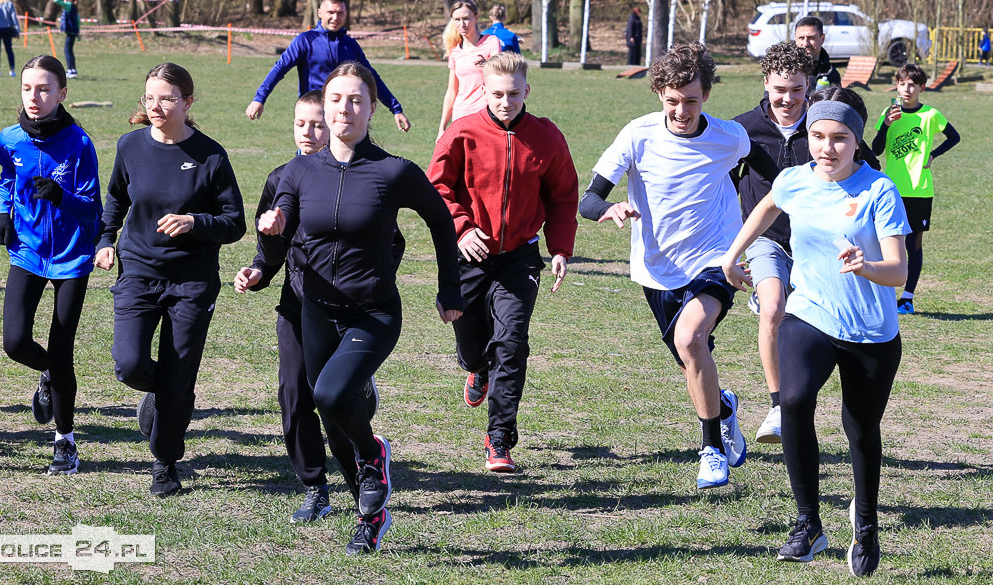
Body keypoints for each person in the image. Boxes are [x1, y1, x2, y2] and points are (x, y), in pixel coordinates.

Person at [257, 62, 463, 555]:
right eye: (335, 100)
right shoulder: (301, 169)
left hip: (373, 313)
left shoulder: (393, 171)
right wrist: (274, 222)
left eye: (355, 100)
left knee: (329, 395)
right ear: (324, 108)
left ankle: (373, 455)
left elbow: (440, 222)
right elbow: (283, 206)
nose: (344, 109)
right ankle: (369, 516)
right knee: (333, 416)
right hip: (315, 309)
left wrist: (449, 290)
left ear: (372, 108)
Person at [721, 87, 909, 577]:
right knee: (794, 400)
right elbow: (766, 208)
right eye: (818, 136)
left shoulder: (878, 190)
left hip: (871, 332)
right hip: (811, 314)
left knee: (860, 430)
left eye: (840, 138)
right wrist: (733, 251)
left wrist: (867, 266)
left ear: (857, 141)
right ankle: (809, 524)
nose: (827, 148)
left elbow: (899, 272)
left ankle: (865, 525)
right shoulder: (795, 180)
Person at [579, 42, 778, 489]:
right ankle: (724, 408)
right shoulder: (638, 135)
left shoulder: (731, 136)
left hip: (716, 259)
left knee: (691, 339)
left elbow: (768, 170)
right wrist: (608, 209)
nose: (681, 111)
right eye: (672, 101)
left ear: (706, 94)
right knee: (690, 359)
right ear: (658, 94)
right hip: (656, 269)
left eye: (690, 101)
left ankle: (711, 448)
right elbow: (587, 199)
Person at [95, 63, 246, 498]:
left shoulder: (210, 155)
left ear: (187, 102)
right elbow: (115, 200)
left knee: (181, 378)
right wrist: (106, 240)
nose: (156, 106)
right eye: (150, 98)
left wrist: (195, 221)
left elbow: (233, 222)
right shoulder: (130, 147)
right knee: (129, 365)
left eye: (167, 98)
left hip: (192, 283)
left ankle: (164, 462)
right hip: (138, 274)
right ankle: (165, 395)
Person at [233, 90, 381, 523]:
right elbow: (271, 249)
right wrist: (258, 269)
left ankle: (364, 470)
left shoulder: (364, 177)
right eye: (301, 124)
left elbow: (392, 243)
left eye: (317, 124)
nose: (309, 133)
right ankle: (315, 487)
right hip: (297, 305)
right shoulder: (280, 179)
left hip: (349, 310)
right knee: (294, 395)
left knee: (332, 400)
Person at [427, 52, 578, 473]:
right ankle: (476, 369)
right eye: (497, 94)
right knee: (474, 347)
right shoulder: (462, 133)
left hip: (519, 258)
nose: (505, 102)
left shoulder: (547, 137)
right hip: (470, 256)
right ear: (484, 91)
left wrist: (560, 248)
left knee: (512, 344)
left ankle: (499, 441)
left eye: (514, 93)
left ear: (526, 90)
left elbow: (563, 196)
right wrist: (462, 227)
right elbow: (436, 188)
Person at [0, 54, 102, 475]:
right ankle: (47, 375)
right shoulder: (10, 138)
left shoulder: (79, 142)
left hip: (73, 257)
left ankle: (65, 442)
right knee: (14, 342)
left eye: (43, 89)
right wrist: (2, 212)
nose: (34, 97)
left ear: (61, 93)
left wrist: (61, 196)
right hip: (28, 251)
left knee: (62, 349)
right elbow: (6, 180)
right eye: (27, 89)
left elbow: (93, 210)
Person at [731, 41, 816, 444]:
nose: (788, 98)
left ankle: (801, 398)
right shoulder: (743, 128)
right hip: (764, 239)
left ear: (809, 85)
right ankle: (780, 406)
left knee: (805, 326)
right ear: (766, 83)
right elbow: (720, 179)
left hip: (812, 243)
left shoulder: (823, 125)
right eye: (780, 89)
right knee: (774, 309)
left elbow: (865, 166)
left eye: (796, 89)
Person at [246, 0, 411, 132]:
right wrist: (259, 99)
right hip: (315, 112)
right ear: (320, 13)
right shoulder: (305, 40)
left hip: (343, 114)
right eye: (330, 12)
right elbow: (279, 69)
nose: (335, 18)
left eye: (340, 13)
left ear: (346, 14)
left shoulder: (351, 45)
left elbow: (372, 78)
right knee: (310, 160)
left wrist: (396, 109)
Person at [871, 63, 960, 315]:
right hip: (890, 189)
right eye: (902, 84)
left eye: (912, 84)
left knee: (913, 244)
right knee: (882, 241)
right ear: (896, 85)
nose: (907, 89)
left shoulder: (931, 115)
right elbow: (876, 150)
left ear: (922, 87)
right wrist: (886, 125)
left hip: (920, 190)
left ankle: (907, 298)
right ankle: (882, 293)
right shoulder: (889, 112)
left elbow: (954, 137)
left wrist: (934, 154)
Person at [438, 0, 502, 137]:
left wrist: (488, 64)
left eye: (466, 18)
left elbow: (499, 76)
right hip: (460, 115)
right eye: (457, 19)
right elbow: (451, 91)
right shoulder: (455, 51)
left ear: (476, 18)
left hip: (485, 114)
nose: (462, 24)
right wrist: (442, 127)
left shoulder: (491, 42)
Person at [794, 16, 840, 92]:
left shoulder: (831, 73)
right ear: (795, 39)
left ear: (822, 39)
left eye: (811, 38)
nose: (805, 43)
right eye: (801, 38)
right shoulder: (785, 69)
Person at [52, 0, 80, 79]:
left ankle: (70, 69)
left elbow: (56, 0)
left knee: (66, 50)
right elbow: (78, 20)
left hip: (70, 31)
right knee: (70, 50)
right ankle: (73, 69)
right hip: (73, 31)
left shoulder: (68, 5)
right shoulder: (73, 6)